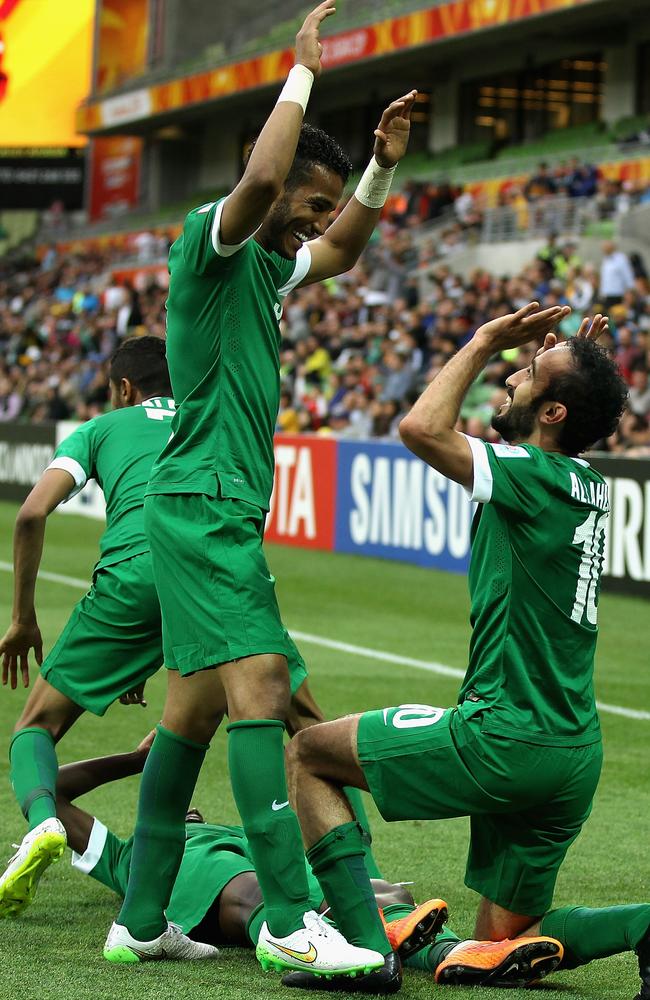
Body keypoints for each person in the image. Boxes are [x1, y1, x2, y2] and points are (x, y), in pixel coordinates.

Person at [105, 0, 419, 979]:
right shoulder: (214, 241)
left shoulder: (272, 268)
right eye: (313, 204)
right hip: (202, 502)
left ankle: (141, 916)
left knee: (189, 714)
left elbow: (344, 246)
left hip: (208, 502)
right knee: (265, 690)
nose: (319, 224)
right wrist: (301, 73)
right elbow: (265, 177)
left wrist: (377, 167)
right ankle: (288, 916)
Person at [284, 310, 639, 995]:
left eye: (528, 375)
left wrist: (479, 341)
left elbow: (420, 428)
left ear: (554, 412)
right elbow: (563, 431)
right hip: (572, 753)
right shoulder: (588, 481)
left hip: (506, 736)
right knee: (496, 950)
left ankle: (360, 946)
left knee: (307, 752)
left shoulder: (531, 475)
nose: (511, 375)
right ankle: (640, 925)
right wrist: (576, 369)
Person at [58, 732, 563, 985]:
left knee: (387, 895)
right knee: (255, 895)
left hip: (275, 877)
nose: (181, 803)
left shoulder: (234, 831)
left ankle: (456, 955)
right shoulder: (132, 855)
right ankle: (354, 935)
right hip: (216, 889)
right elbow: (55, 795)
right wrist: (134, 761)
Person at [0, 337, 175, 917]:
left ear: (124, 388)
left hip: (130, 580)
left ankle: (47, 822)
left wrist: (24, 618)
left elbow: (30, 512)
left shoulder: (104, 427)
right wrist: (152, 650)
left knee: (34, 730)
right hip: (215, 579)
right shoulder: (213, 416)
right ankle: (359, 882)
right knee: (292, 724)